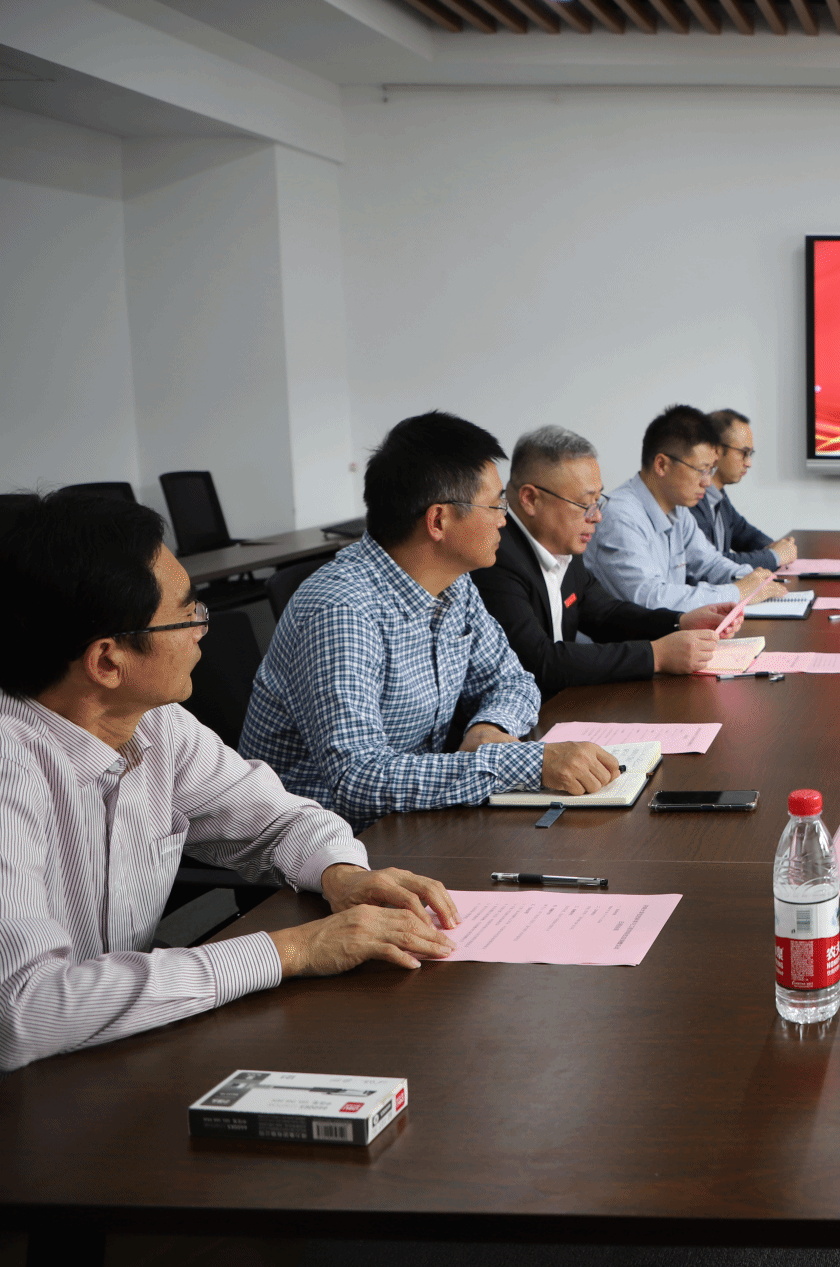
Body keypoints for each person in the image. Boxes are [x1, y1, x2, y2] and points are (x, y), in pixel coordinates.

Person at [0, 494, 461, 1072]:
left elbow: (283, 820)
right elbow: (24, 1010)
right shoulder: (11, 767)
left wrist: (341, 875)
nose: (203, 629)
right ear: (108, 662)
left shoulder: (156, 725)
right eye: (186, 615)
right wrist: (294, 950)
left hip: (114, 1053)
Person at [243, 412, 621, 831]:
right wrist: (523, 763)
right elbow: (358, 780)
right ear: (439, 520)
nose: (504, 518)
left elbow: (514, 681)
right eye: (496, 504)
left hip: (411, 819)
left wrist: (489, 727)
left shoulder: (454, 584)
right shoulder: (342, 610)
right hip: (318, 841)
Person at [474, 426, 737, 700]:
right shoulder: (494, 558)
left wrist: (679, 622)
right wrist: (656, 656)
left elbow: (605, 614)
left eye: (598, 501)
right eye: (584, 504)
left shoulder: (562, 543)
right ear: (530, 499)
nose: (597, 516)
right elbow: (538, 661)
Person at [586, 404, 787, 613]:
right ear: (662, 465)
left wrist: (754, 578)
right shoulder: (619, 517)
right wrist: (737, 591)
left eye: (711, 470)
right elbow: (650, 598)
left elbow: (709, 563)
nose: (707, 482)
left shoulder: (678, 509)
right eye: (701, 470)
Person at [693, 409, 796, 571]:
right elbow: (712, 563)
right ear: (716, 450)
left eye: (750, 454)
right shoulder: (691, 501)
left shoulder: (719, 497)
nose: (749, 463)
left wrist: (776, 547)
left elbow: (746, 535)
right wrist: (774, 556)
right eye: (744, 453)